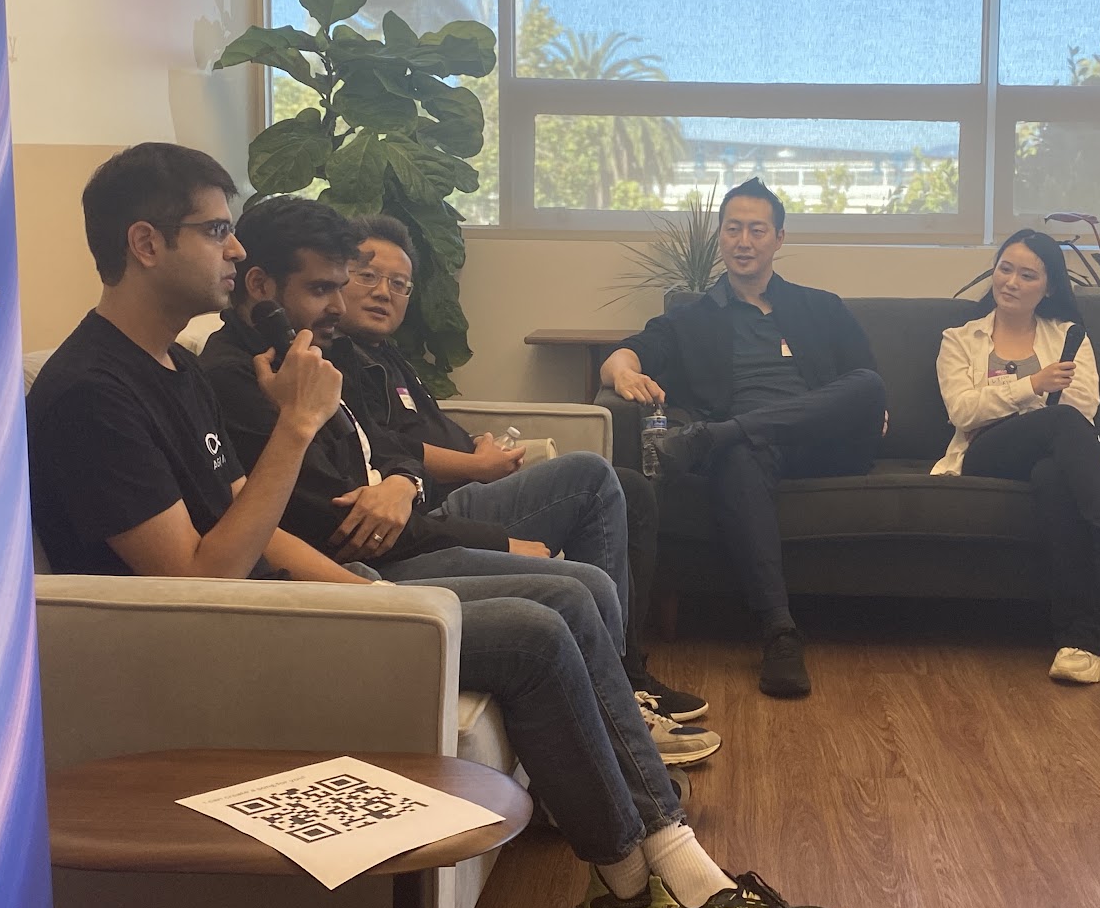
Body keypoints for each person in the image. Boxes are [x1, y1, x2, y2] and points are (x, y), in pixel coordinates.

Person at [25, 142, 844, 908]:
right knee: (533, 631)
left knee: (565, 598)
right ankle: (652, 883)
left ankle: (653, 872)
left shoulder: (171, 369)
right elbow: (196, 585)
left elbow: (255, 524)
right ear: (145, 243)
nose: (235, 250)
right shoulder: (92, 393)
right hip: (226, 639)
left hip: (287, 597)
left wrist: (369, 594)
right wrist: (298, 427)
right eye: (214, 230)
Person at [197, 195, 716, 762]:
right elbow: (342, 523)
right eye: (331, 287)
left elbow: (385, 446)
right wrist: (494, 534)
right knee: (579, 583)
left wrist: (402, 480)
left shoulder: (318, 354)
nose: (346, 303)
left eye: (397, 284)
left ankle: (622, 709)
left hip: (412, 516)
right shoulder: (258, 376)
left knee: (597, 481)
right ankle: (624, 728)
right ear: (260, 286)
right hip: (386, 553)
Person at [331, 213, 706, 722]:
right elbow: (384, 448)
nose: (384, 293)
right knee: (591, 476)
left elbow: (426, 427)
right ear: (338, 276)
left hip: (452, 490)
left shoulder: (386, 355)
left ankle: (628, 670)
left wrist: (475, 446)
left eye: (399, 284)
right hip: (434, 511)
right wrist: (473, 464)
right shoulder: (336, 361)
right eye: (368, 276)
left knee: (630, 488)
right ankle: (620, 681)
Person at [601, 177, 887, 698]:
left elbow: (868, 388)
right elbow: (625, 353)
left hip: (825, 443)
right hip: (754, 453)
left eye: (757, 230)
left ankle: (718, 435)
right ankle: (779, 633)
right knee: (736, 456)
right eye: (733, 229)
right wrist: (622, 372)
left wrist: (722, 433)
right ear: (720, 237)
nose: (744, 241)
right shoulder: (691, 318)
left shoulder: (821, 306)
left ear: (779, 238)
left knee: (865, 385)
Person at [931, 228, 1100, 684]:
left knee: (1053, 477)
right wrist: (1034, 385)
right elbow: (963, 412)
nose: (1011, 282)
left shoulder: (1070, 337)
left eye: (1027, 275)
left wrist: (1011, 400)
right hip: (988, 453)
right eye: (1005, 269)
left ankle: (1081, 643)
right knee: (1060, 423)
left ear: (1048, 288)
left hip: (1055, 454)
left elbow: (1084, 407)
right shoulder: (960, 339)